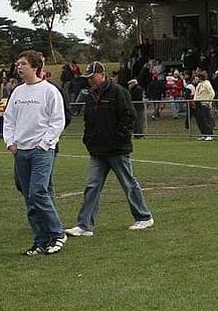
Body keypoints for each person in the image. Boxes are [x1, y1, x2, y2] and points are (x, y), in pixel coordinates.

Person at [64, 61, 154, 237]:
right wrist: (88, 139)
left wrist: (120, 138)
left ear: (102, 74)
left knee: (128, 183)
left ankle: (144, 216)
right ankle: (84, 225)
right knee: (92, 186)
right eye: (88, 77)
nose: (90, 80)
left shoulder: (118, 92)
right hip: (97, 150)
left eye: (92, 76)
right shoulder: (90, 96)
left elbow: (128, 116)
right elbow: (88, 120)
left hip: (117, 149)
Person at [3, 50, 67, 256]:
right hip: (21, 151)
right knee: (29, 198)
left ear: (35, 66)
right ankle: (40, 240)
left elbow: (57, 121)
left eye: (23, 63)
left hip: (41, 151)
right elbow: (9, 119)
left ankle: (57, 233)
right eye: (17, 63)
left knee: (38, 191)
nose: (18, 66)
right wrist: (10, 143)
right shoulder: (18, 92)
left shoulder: (49, 91)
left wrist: (45, 144)